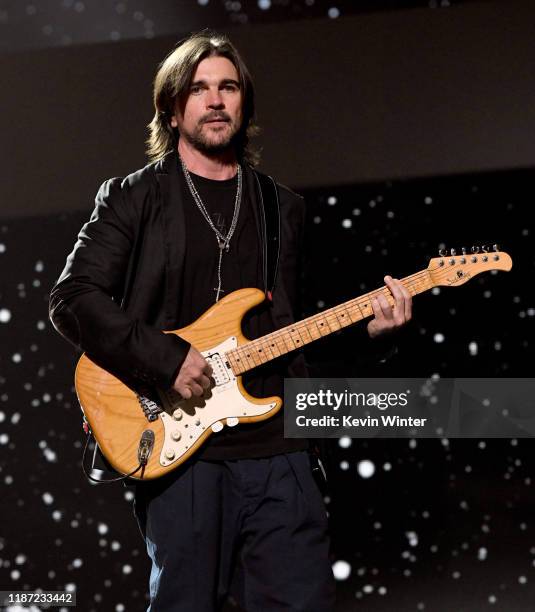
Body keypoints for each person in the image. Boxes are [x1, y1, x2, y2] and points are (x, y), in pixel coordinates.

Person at [49, 31, 412, 612]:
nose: (215, 100)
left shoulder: (281, 207)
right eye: (198, 89)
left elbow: (303, 334)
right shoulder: (133, 198)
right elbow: (72, 299)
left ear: (244, 103)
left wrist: (374, 337)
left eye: (228, 86)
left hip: (281, 453)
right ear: (172, 109)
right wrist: (166, 358)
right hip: (183, 454)